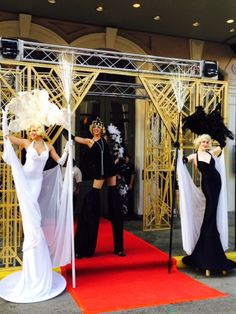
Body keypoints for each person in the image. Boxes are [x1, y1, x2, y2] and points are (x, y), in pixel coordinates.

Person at [0, 94, 72, 302]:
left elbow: (60, 162)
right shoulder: (25, 143)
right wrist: (5, 121)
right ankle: (34, 264)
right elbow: (7, 138)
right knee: (32, 223)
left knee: (35, 221)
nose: (31, 133)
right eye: (30, 130)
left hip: (37, 184)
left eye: (34, 130)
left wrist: (67, 148)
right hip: (24, 181)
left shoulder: (48, 147)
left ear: (40, 131)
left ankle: (37, 266)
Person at [177, 134, 236, 276]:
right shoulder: (193, 156)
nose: (205, 144)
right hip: (207, 186)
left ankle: (206, 254)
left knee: (210, 216)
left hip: (216, 184)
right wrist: (178, 152)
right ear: (198, 143)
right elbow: (181, 162)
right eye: (203, 141)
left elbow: (222, 145)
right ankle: (207, 255)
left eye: (207, 142)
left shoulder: (212, 152)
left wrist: (217, 132)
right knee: (209, 215)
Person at [73, 117, 125, 258]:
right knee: (90, 206)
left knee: (115, 206)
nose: (96, 129)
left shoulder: (106, 139)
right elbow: (75, 138)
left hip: (110, 171)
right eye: (94, 128)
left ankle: (119, 247)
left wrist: (117, 160)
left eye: (98, 127)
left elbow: (113, 151)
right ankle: (83, 247)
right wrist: (64, 131)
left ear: (101, 129)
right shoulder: (90, 141)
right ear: (92, 130)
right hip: (100, 174)